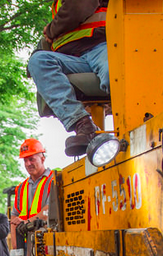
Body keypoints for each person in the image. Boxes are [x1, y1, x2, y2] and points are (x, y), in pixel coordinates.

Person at [27, 0, 109, 157]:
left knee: (114, 74)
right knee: (39, 61)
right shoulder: (57, 5)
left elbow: (79, 6)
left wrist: (51, 30)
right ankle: (84, 126)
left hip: (102, 45)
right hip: (74, 59)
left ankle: (135, 123)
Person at [10, 139, 54, 256]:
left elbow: (49, 210)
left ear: (42, 158)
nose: (28, 163)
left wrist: (26, 222)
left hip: (47, 244)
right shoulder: (22, 187)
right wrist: (16, 254)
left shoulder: (53, 180)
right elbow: (14, 217)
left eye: (32, 159)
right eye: (25, 160)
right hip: (25, 244)